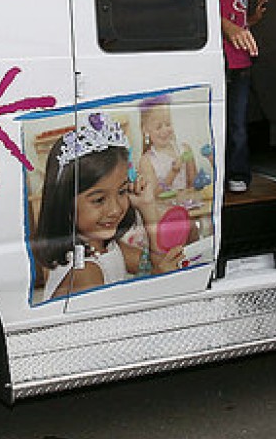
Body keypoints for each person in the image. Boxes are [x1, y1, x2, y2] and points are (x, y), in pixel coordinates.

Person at [33, 113, 183, 301]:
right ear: (65, 202)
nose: (115, 209)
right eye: (99, 200)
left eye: (121, 192)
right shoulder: (86, 273)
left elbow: (155, 261)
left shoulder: (103, 245)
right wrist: (156, 282)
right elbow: (117, 326)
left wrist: (147, 207)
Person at [216, 0, 266, 194]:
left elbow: (242, 25)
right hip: (222, 66)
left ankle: (238, 173)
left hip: (242, 67)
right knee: (223, 123)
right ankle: (220, 173)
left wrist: (254, 18)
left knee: (238, 124)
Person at [136, 95, 196, 195]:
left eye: (168, 124)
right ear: (145, 130)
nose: (165, 130)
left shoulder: (184, 149)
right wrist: (173, 172)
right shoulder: (146, 161)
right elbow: (154, 194)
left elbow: (194, 184)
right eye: (158, 127)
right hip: (162, 209)